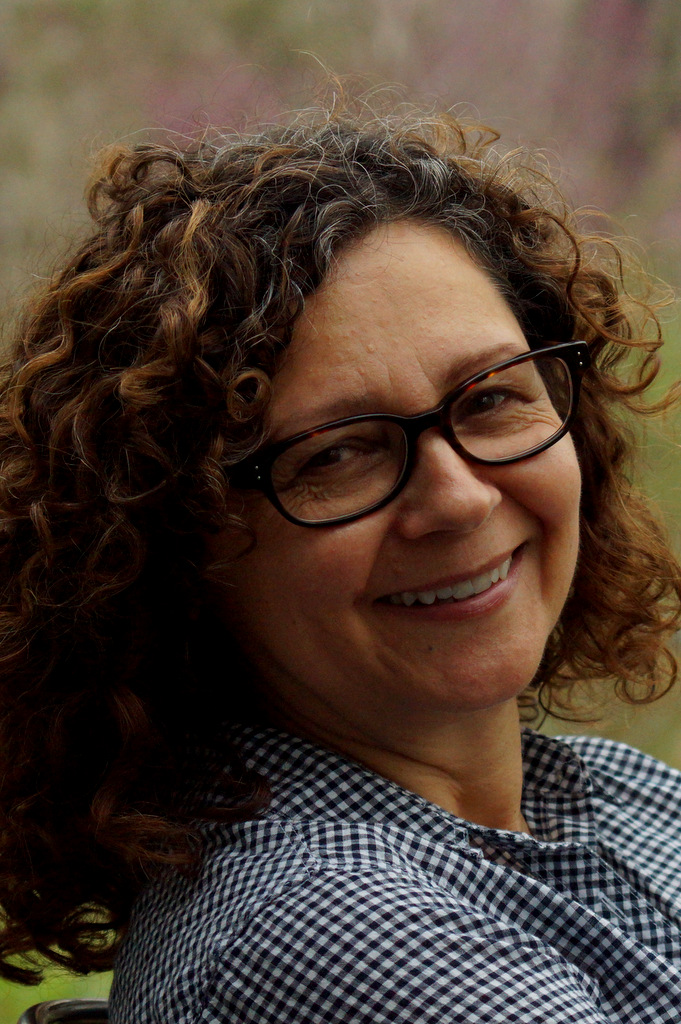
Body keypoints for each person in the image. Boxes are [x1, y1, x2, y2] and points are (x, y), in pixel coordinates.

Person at [1, 101, 681, 1024]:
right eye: (335, 454)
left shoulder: (609, 793)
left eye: (490, 400)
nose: (460, 499)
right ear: (178, 546)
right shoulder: (330, 929)